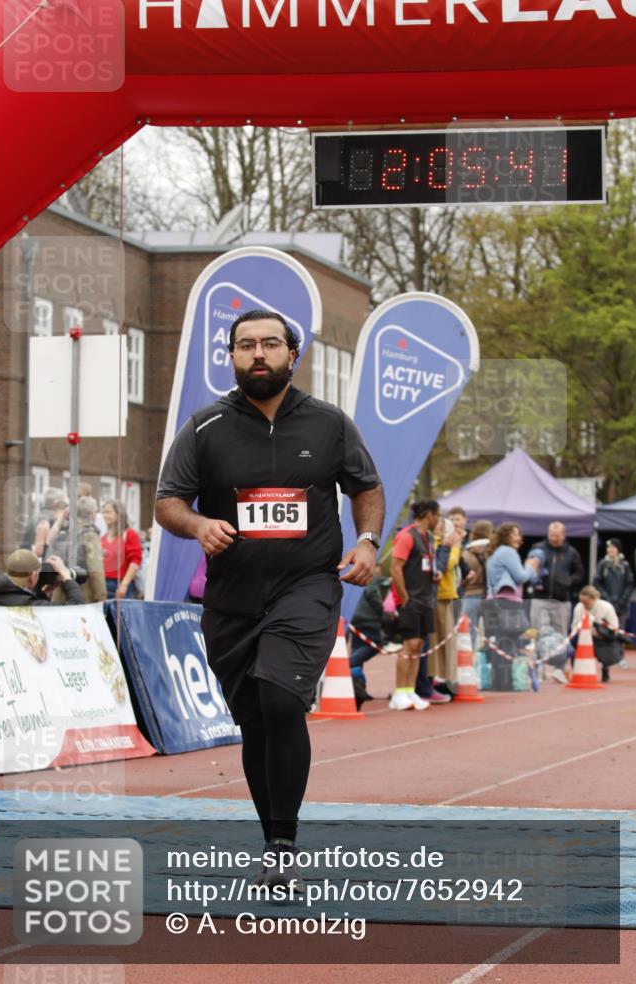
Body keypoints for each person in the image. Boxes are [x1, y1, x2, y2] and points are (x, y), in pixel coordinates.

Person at [154, 308, 384, 887]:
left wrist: (367, 540)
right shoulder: (205, 427)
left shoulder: (329, 424)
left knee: (281, 699)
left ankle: (284, 841)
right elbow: (168, 502)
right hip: (231, 597)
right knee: (255, 720)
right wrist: (198, 524)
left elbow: (366, 486)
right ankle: (273, 843)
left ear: (292, 355)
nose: (259, 353)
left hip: (306, 586)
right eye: (247, 345)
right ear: (231, 356)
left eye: (271, 344)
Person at [390, 499, 444, 710]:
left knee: (419, 645)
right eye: (438, 515)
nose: (439, 519)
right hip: (410, 599)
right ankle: (399, 693)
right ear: (429, 515)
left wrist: (435, 575)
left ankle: (410, 690)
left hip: (425, 598)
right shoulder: (406, 536)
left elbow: (423, 565)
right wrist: (404, 598)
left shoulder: (428, 538)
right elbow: (395, 568)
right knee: (409, 645)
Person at [484, 523, 540, 690]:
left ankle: (500, 682)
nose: (519, 538)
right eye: (515, 534)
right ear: (506, 535)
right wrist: (531, 567)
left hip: (495, 601)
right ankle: (505, 683)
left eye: (519, 534)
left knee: (500, 643)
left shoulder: (495, 553)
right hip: (508, 601)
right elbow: (521, 576)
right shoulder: (508, 552)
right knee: (508, 643)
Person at [429, 513, 465, 696]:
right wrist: (455, 547)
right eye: (440, 525)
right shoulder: (436, 544)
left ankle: (446, 677)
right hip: (439, 596)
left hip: (447, 596)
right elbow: (448, 563)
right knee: (438, 641)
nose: (442, 528)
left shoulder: (441, 543)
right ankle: (438, 677)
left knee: (446, 641)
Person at [0, 549, 85, 607]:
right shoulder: (25, 604)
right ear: (33, 576)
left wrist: (45, 593)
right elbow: (76, 607)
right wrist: (65, 574)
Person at [529, 521, 584, 636]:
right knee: (538, 632)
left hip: (561, 601)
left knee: (561, 634)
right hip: (540, 598)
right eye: (552, 535)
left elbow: (579, 573)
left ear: (563, 535)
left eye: (557, 536)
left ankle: (559, 649)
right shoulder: (538, 548)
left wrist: (569, 581)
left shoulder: (571, 552)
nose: (554, 539)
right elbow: (529, 568)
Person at [348, 566, 390, 702]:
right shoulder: (367, 570)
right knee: (376, 644)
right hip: (368, 618)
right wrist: (383, 611)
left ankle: (358, 689)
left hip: (354, 617)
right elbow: (371, 593)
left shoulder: (352, 571)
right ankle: (348, 663)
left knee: (357, 648)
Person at [571, 585, 621, 683]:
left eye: (586, 603)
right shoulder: (578, 607)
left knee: (607, 652)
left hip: (602, 637)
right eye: (582, 602)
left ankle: (605, 668)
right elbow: (574, 626)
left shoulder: (606, 607)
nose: (584, 605)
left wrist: (601, 632)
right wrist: (578, 631)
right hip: (583, 637)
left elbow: (614, 627)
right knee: (572, 645)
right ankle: (576, 671)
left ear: (594, 599)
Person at [460, 519, 493, 648]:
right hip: (489, 595)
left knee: (468, 635)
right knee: (491, 634)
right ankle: (489, 658)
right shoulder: (492, 550)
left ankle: (470, 659)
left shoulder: (466, 552)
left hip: (470, 594)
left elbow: (461, 578)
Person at [100, 499, 142, 599]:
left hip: (121, 585)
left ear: (118, 514)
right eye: (103, 512)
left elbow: (135, 561)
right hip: (103, 585)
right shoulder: (103, 538)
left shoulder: (129, 534)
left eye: (108, 512)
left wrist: (124, 584)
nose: (105, 515)